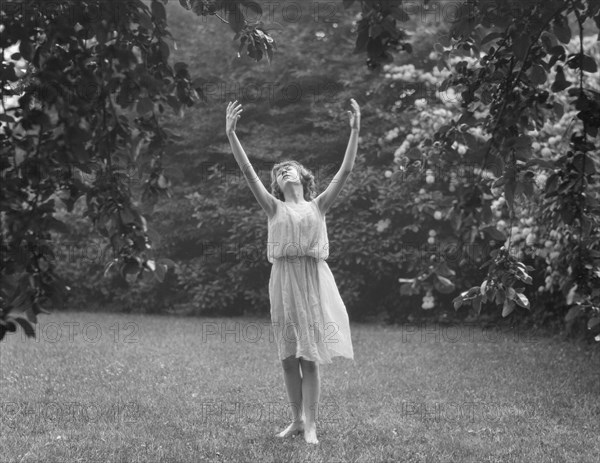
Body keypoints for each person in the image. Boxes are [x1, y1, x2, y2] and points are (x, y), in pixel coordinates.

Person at [225, 98, 360, 444]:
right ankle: (296, 420)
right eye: (278, 171)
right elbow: (247, 173)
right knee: (288, 357)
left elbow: (344, 172)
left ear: (303, 177)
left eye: (290, 168)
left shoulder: (319, 205)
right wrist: (231, 135)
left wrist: (355, 131)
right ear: (276, 185)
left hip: (311, 279)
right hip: (283, 281)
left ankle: (311, 424)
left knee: (309, 356)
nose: (284, 171)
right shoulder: (273, 208)